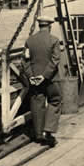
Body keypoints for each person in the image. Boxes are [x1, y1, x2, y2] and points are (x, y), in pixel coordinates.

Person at [22, 15, 61, 147]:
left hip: (34, 79)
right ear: (50, 26)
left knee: (37, 101)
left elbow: (24, 61)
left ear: (39, 25)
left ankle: (38, 134)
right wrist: (44, 76)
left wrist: (31, 76)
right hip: (50, 79)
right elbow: (55, 60)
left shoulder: (29, 41)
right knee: (54, 100)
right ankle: (48, 130)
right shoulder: (54, 40)